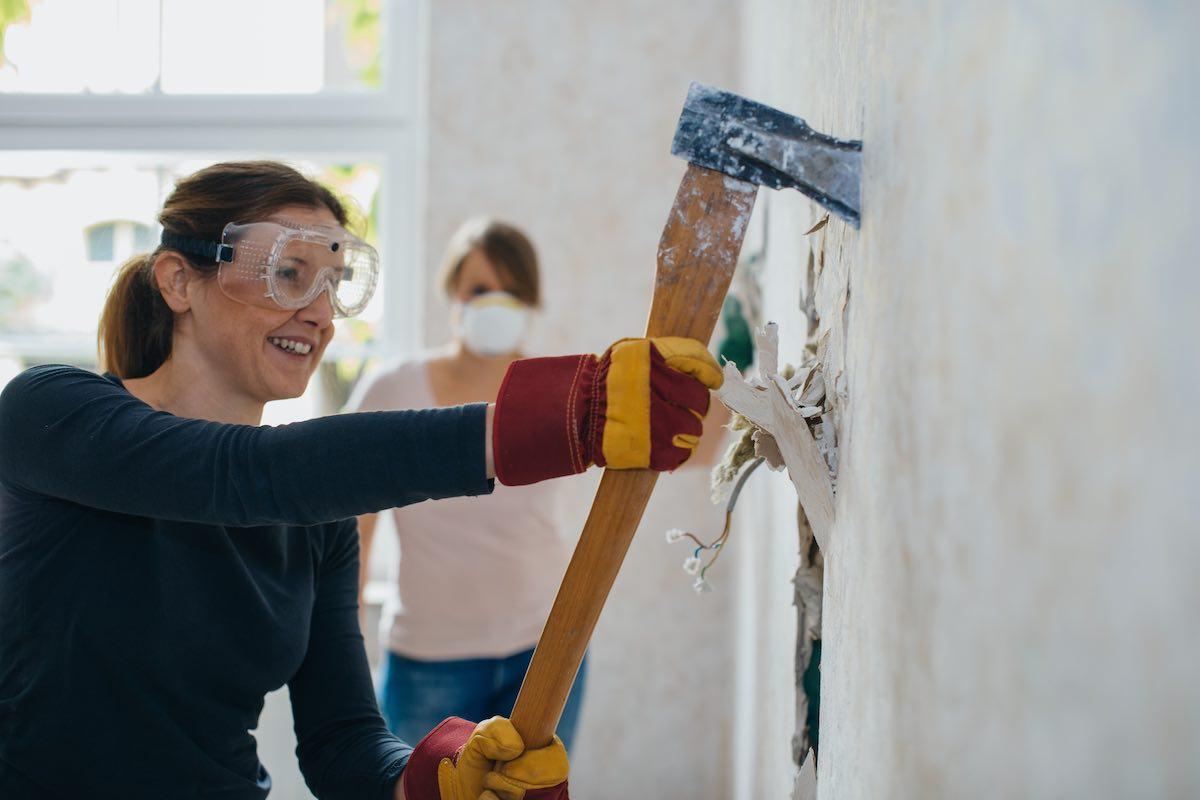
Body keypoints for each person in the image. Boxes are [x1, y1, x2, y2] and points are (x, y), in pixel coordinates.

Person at [0, 161, 724, 800]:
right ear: (178, 279)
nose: (319, 313)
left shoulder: (315, 525)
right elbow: (246, 475)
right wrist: (562, 417)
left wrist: (429, 775)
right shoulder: (50, 413)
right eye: (289, 274)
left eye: (337, 283)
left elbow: (342, 739)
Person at [350, 219, 586, 752]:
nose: (494, 303)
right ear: (452, 293)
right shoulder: (392, 390)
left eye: (511, 291)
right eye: (481, 289)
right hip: (428, 659)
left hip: (545, 651)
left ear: (531, 301)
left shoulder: (560, 391)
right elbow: (353, 527)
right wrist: (345, 640)